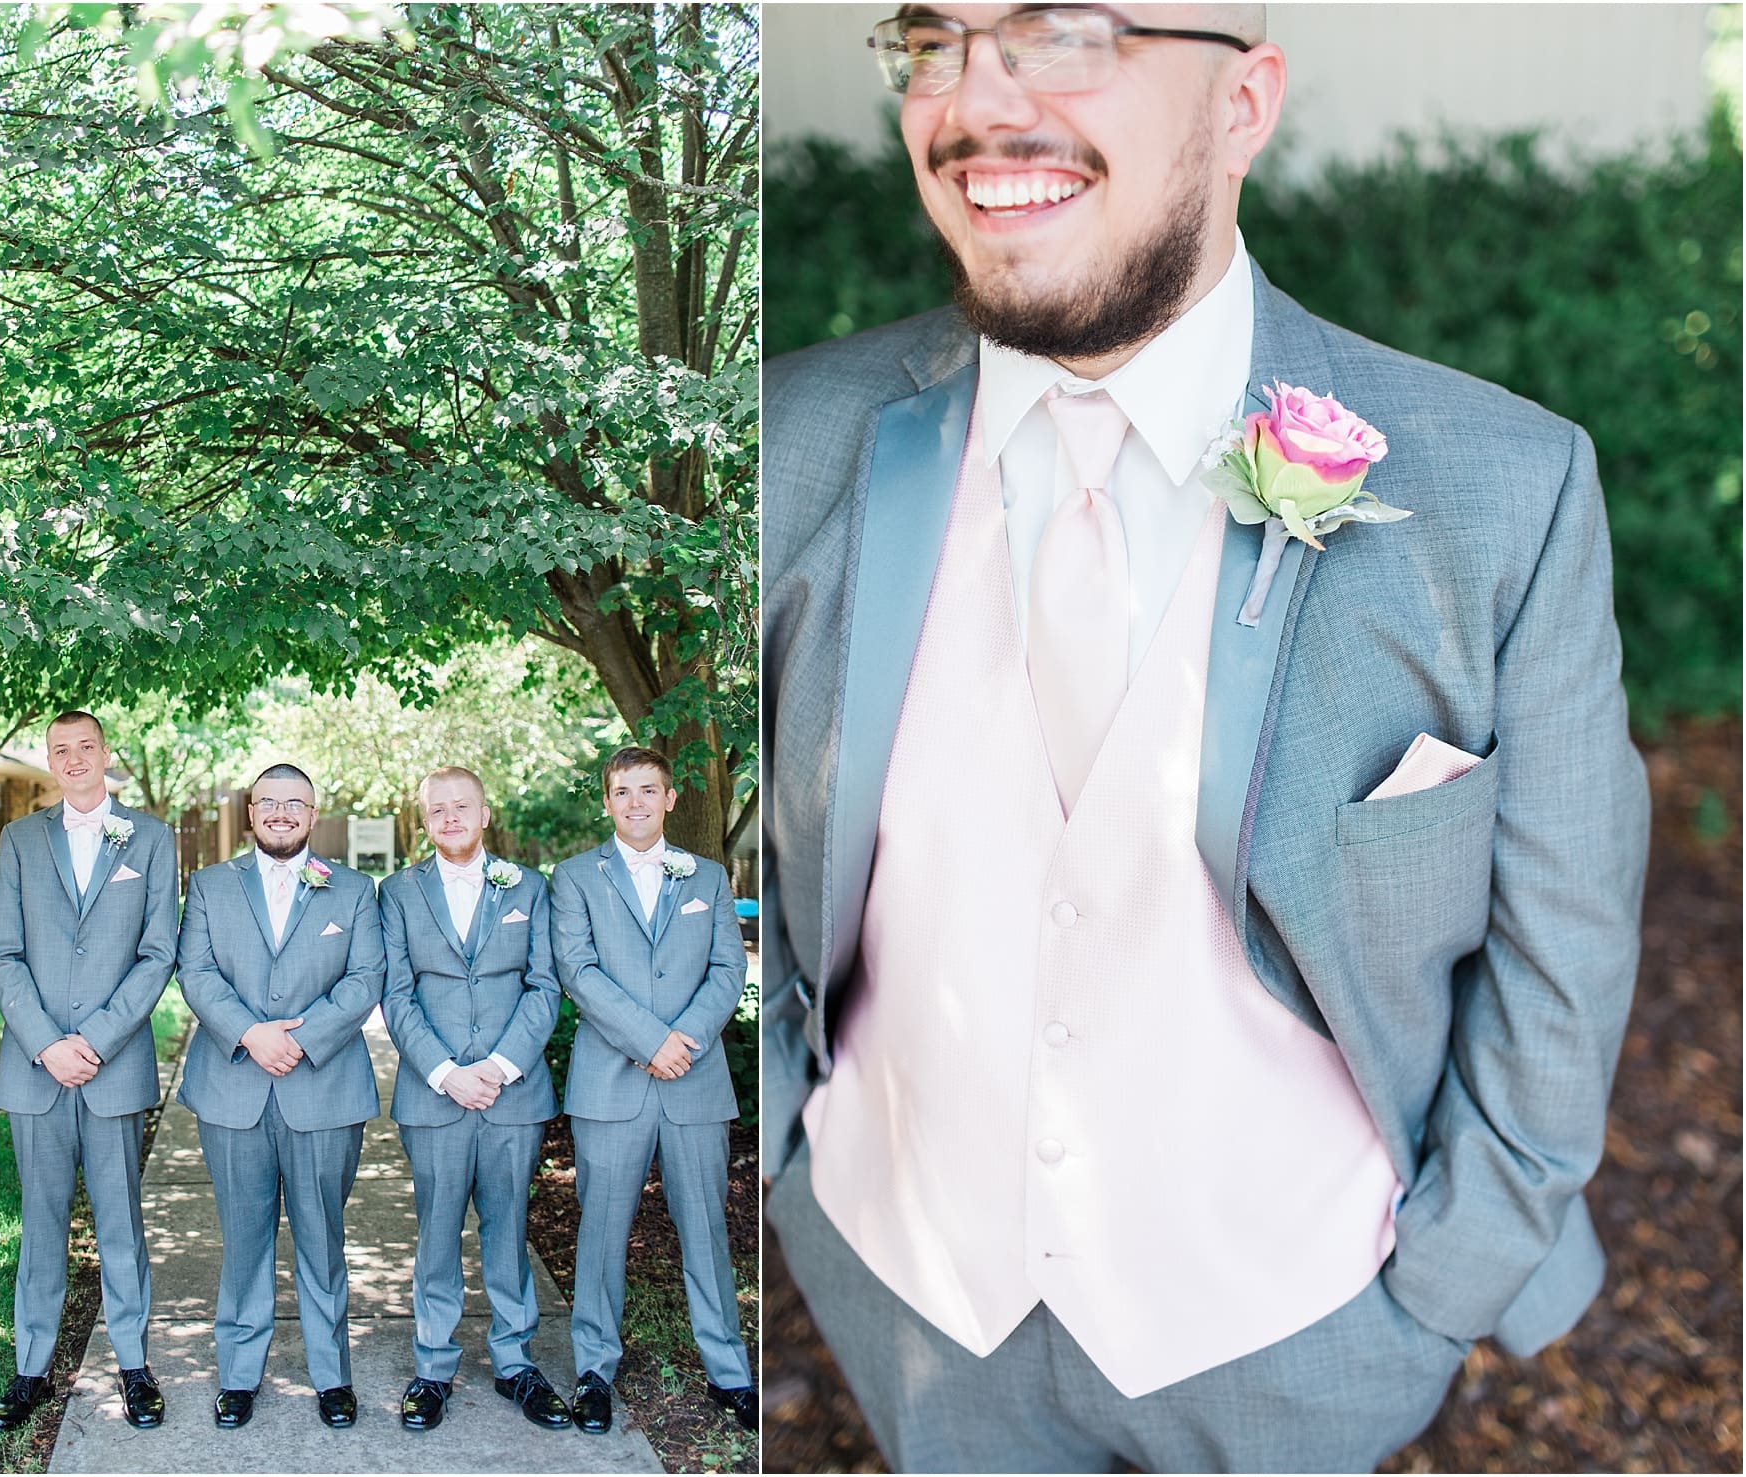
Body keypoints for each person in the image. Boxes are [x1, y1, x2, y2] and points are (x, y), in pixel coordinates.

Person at [760, 5, 1650, 1471]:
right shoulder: (783, 444)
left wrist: (1441, 1283)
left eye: (1058, 33)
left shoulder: (1502, 490)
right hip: (907, 1297)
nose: (971, 100)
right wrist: (795, 1168)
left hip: (1309, 1328)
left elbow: (1563, 944)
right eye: (929, 38)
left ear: (1241, 105)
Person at [549, 746, 758, 1433]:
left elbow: (728, 968)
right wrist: (650, 1040)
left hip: (693, 1080)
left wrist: (683, 1041)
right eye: (621, 791)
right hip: (611, 1084)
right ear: (605, 801)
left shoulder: (708, 876)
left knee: (705, 1230)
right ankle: (593, 1371)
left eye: (648, 789)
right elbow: (578, 970)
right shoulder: (576, 876)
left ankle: (728, 1372)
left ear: (670, 798)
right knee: (601, 1231)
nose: (635, 802)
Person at [0, 709, 178, 1432]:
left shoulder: (152, 838)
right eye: (59, 749)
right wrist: (44, 1042)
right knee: (40, 1222)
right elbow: (2, 951)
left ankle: (133, 1364)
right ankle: (30, 1368)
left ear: (105, 753)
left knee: (121, 1221)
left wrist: (91, 1039)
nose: (72, 758)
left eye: (84, 746)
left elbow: (158, 951)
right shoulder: (20, 838)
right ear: (49, 759)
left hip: (113, 1063)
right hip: (38, 1067)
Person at [176, 762, 383, 1430]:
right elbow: (197, 972)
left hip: (322, 1086)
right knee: (242, 1237)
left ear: (313, 812)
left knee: (322, 1236)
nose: (281, 812)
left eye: (295, 802)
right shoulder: (209, 885)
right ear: (250, 812)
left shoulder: (352, 889)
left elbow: (364, 976)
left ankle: (331, 1375)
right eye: (269, 801)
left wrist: (301, 1038)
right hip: (233, 1087)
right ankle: (239, 1373)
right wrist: (249, 1033)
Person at [378, 766, 567, 1433]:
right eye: (438, 809)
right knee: (435, 1232)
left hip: (513, 1093)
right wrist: (445, 1072)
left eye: (462, 806)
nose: (450, 817)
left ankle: (515, 1361)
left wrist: (498, 1065)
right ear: (423, 820)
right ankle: (432, 1366)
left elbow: (545, 985)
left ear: (485, 813)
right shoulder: (397, 892)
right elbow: (394, 993)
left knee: (508, 1227)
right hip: (434, 1095)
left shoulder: (530, 887)